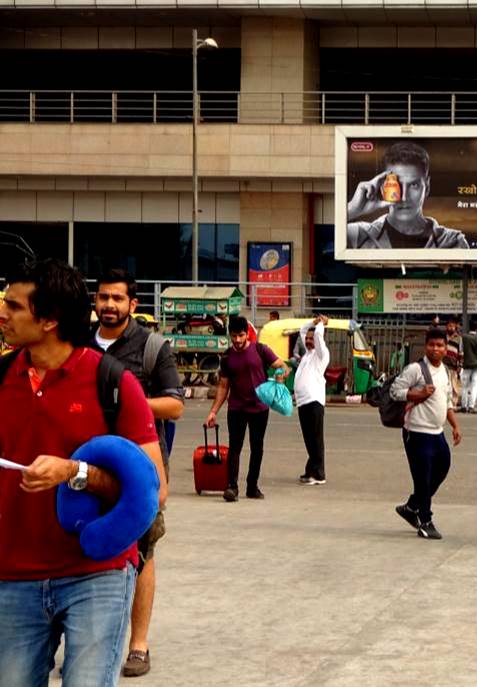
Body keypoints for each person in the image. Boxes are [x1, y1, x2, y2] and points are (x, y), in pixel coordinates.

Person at [0, 259, 165, 686]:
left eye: (14, 306)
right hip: (13, 576)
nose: (3, 314)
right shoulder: (1, 378)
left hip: (97, 574)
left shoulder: (111, 382)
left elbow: (153, 490)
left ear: (50, 320)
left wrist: (76, 473)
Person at [91, 269, 185, 679]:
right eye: (103, 297)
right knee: (79, 547)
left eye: (117, 298)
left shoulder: (152, 347)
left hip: (139, 466)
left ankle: (138, 645)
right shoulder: (77, 343)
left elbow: (175, 406)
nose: (109, 305)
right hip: (83, 463)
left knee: (142, 553)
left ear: (133, 305)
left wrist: (127, 400)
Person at [205, 316, 289, 502]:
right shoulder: (226, 357)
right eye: (233, 336)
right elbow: (223, 386)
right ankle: (232, 487)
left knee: (257, 448)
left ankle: (252, 486)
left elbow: (283, 366)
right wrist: (213, 412)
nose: (237, 340)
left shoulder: (261, 350)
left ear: (247, 334)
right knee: (235, 447)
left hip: (259, 408)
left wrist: (280, 376)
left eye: (241, 335)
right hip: (236, 408)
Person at [391, 328, 463, 540]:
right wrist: (418, 393)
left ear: (446, 348)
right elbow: (395, 391)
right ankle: (426, 520)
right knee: (423, 478)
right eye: (432, 345)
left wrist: (455, 425)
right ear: (426, 346)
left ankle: (412, 506)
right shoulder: (416, 369)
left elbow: (446, 400)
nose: (435, 349)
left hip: (437, 433)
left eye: (440, 345)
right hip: (417, 432)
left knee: (443, 467)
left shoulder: (445, 372)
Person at [346, 142, 469, 249]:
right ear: (383, 188)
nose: (404, 197)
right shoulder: (357, 235)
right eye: (396, 185)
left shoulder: (453, 242)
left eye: (414, 185)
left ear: (427, 187)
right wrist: (352, 209)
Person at [295, 315, 330, 486]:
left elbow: (318, 336)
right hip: (303, 402)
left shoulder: (321, 355)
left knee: (316, 439)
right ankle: (311, 470)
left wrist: (321, 324)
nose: (308, 341)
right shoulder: (308, 354)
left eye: (311, 338)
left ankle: (319, 474)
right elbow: (302, 330)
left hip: (314, 401)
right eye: (307, 339)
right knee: (309, 439)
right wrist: (313, 323)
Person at [459, 324, 477, 414]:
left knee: (464, 386)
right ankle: (471, 406)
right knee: (474, 386)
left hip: (466, 364)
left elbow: (461, 350)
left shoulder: (463, 338)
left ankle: (463, 406)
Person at [443, 316, 462, 406]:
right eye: (449, 326)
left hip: (453, 365)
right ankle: (444, 403)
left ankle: (453, 404)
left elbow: (461, 353)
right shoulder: (442, 337)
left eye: (453, 326)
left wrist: (460, 365)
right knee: (444, 384)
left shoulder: (459, 339)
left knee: (453, 385)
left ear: (455, 327)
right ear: (446, 327)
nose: (451, 328)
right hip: (442, 365)